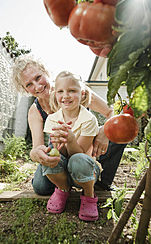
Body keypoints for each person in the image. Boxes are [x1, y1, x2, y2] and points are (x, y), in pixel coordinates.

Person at [11, 55, 126, 196]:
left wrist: (104, 131)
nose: (37, 86)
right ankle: (67, 182)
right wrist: (36, 154)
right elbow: (37, 148)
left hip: (86, 148)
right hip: (61, 153)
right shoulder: (35, 111)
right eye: (29, 84)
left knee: (121, 130)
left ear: (46, 72)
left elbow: (112, 111)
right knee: (41, 187)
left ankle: (102, 183)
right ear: (25, 89)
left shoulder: (74, 90)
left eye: (38, 78)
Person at [43, 71, 103, 220]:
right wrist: (56, 145)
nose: (66, 96)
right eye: (61, 91)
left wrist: (70, 139)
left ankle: (89, 194)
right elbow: (60, 154)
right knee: (49, 157)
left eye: (72, 91)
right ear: (55, 94)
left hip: (86, 171)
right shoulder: (52, 119)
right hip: (65, 172)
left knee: (79, 160)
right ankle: (63, 189)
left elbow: (79, 154)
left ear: (82, 94)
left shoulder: (89, 119)